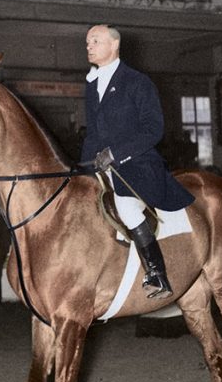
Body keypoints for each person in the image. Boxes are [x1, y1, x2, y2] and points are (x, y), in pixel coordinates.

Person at [81, 24, 194, 299]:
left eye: (95, 41)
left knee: (127, 207)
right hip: (100, 167)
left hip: (137, 165)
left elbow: (153, 130)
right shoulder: (92, 85)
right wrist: (82, 167)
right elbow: (92, 132)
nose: (89, 46)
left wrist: (116, 153)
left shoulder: (138, 82)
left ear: (114, 45)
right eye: (87, 42)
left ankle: (157, 274)